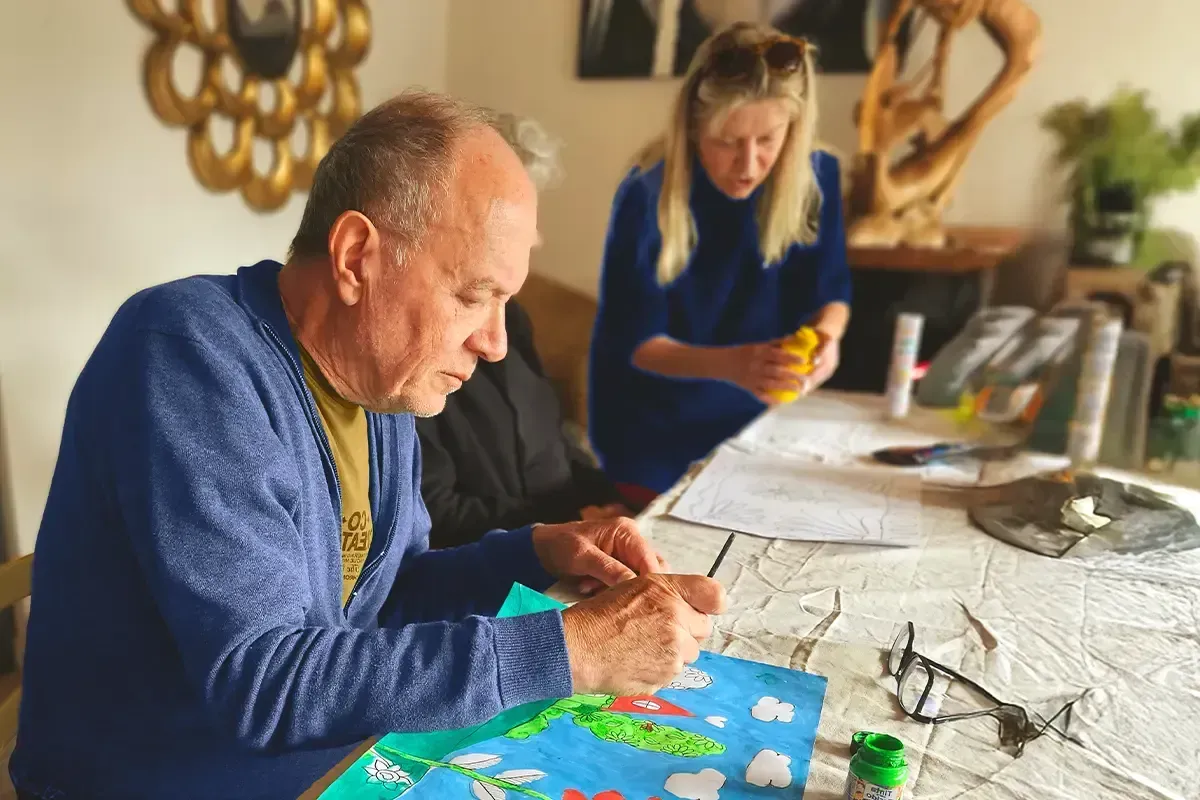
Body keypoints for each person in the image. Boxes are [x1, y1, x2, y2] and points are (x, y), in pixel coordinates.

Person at [10, 90, 725, 800]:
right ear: (356, 258)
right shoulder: (184, 354)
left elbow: (387, 595)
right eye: (474, 295)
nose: (497, 342)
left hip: (313, 757)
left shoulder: (379, 385)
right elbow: (266, 683)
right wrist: (570, 650)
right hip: (160, 776)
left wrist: (538, 547)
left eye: (506, 301)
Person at [588, 22, 852, 503]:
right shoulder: (646, 191)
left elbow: (830, 292)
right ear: (692, 127)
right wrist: (737, 364)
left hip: (764, 423)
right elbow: (636, 343)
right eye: (728, 142)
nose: (748, 164)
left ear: (794, 128)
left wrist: (827, 340)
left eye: (768, 139)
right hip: (653, 431)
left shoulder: (819, 177)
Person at [416, 112, 630, 548]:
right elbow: (437, 515)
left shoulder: (513, 318)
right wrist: (568, 521)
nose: (535, 240)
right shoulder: (418, 353)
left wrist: (608, 501)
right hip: (509, 560)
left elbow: (557, 441)